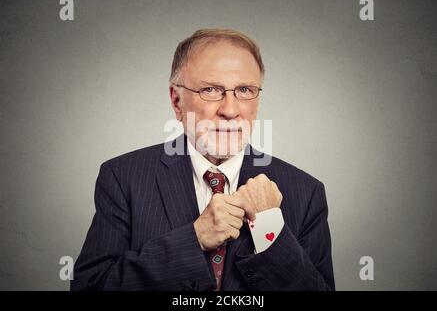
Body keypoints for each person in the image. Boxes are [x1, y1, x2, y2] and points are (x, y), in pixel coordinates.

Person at [71, 28, 335, 291]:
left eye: (244, 90)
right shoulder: (122, 178)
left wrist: (269, 229)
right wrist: (193, 239)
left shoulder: (306, 192)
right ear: (177, 101)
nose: (230, 110)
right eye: (211, 89)